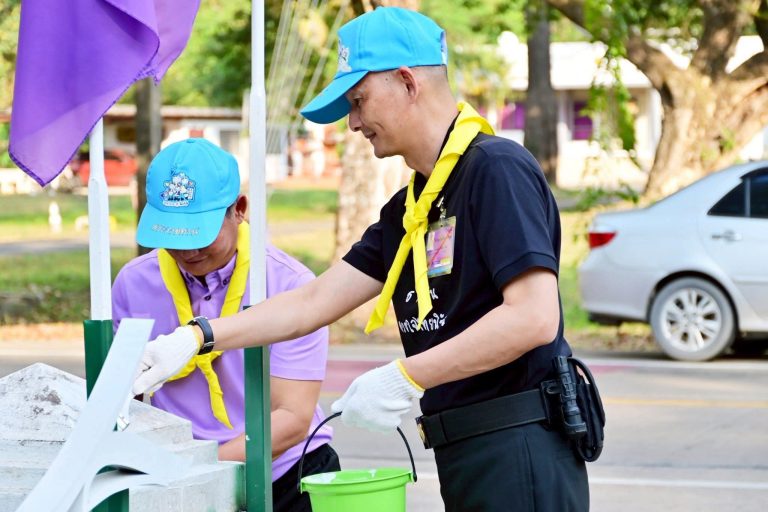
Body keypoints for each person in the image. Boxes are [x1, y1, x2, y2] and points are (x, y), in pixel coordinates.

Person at [132, 8, 590, 511]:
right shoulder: (411, 207)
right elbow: (311, 302)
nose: (352, 123)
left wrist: (406, 376)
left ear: (408, 82)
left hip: (518, 442)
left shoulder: (495, 170)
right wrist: (198, 336)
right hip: (465, 447)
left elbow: (533, 317)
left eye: (358, 101)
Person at [112, 138, 339, 512]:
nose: (188, 251)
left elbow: (293, 419)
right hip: (178, 476)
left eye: (200, 233)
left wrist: (201, 468)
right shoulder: (133, 283)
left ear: (240, 210)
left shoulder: (289, 284)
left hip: (285, 473)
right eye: (173, 234)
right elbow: (126, 402)